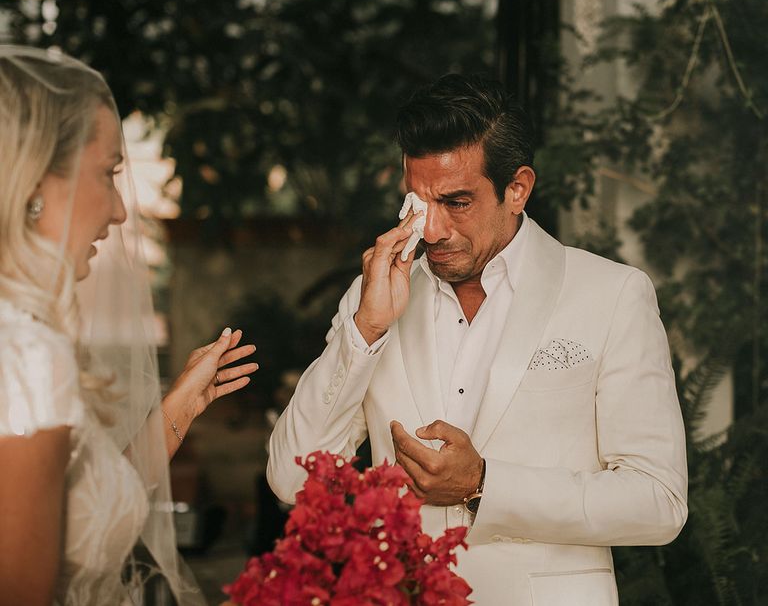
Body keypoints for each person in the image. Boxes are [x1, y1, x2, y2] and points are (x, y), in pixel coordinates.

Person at [267, 74, 688, 605]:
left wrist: (485, 485)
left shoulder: (612, 295)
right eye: (419, 205)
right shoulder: (373, 296)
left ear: (517, 189)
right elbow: (292, 479)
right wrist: (366, 331)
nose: (434, 231)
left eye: (457, 203)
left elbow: (659, 501)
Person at [0, 46, 257, 606]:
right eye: (107, 172)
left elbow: (76, 506)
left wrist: (179, 406)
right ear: (37, 183)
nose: (120, 211)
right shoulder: (22, 353)